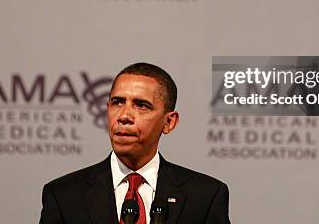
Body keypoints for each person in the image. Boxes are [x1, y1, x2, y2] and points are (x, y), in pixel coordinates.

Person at [39, 62, 230, 223]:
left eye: (141, 105)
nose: (124, 116)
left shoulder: (205, 197)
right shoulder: (63, 196)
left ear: (169, 122)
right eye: (117, 102)